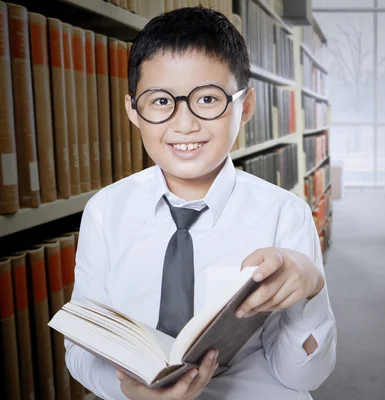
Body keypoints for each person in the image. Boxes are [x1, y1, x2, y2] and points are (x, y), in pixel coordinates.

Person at [65, 6, 336, 400]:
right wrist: (127, 392)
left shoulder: (284, 213)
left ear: (245, 106)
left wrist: (311, 289)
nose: (184, 123)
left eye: (207, 99)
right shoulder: (106, 211)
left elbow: (302, 377)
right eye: (160, 102)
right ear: (133, 111)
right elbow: (81, 345)